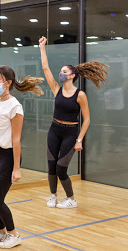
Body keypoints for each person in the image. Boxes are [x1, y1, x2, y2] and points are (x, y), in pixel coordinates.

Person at [0, 48, 43, 249]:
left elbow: (16, 139)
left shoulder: (15, 107)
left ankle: (14, 234)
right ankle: (2, 232)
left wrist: (16, 168)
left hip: (7, 156)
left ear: (8, 82)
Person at [39, 36, 108, 209]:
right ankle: (53, 196)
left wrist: (79, 140)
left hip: (70, 133)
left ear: (72, 76)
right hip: (54, 130)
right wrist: (42, 47)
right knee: (51, 166)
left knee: (61, 169)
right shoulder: (57, 89)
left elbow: (87, 119)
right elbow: (45, 68)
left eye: (64, 72)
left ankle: (71, 199)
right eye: (60, 72)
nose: (60, 74)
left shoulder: (80, 95)